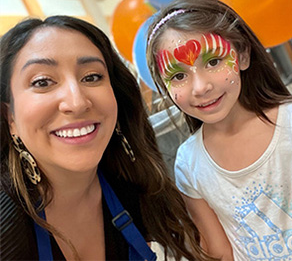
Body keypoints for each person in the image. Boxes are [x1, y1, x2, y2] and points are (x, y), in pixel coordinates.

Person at [0, 16, 212, 260]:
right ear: (10, 117)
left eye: (91, 77)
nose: (77, 102)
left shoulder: (137, 187)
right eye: (43, 82)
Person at [145, 0, 292, 260]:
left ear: (242, 55)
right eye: (179, 75)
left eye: (213, 62)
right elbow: (218, 251)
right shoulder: (189, 162)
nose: (200, 87)